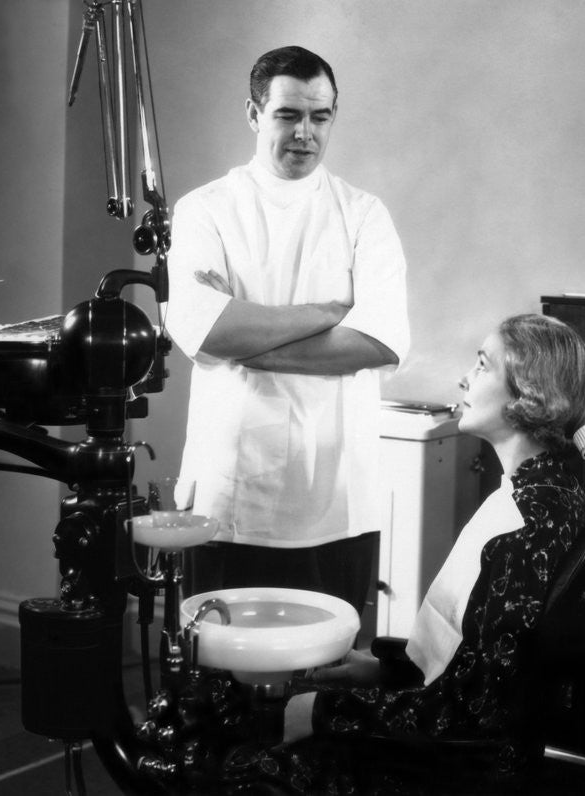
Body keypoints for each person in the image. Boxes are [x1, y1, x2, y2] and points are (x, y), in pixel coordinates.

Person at [221, 313, 585, 794]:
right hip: (453, 742)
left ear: (528, 392)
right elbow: (473, 664)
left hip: (451, 772)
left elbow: (475, 718)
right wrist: (383, 668)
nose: (465, 377)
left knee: (236, 744)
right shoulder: (551, 491)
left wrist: (319, 711)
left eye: (482, 365)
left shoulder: (524, 532)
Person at [165, 46, 409, 614]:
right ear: (254, 115)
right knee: (223, 679)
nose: (305, 133)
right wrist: (330, 311)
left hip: (337, 497)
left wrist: (253, 343)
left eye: (320, 117)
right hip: (231, 492)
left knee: (324, 684)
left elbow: (376, 341)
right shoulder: (206, 210)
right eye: (287, 115)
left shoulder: (364, 214)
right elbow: (210, 333)